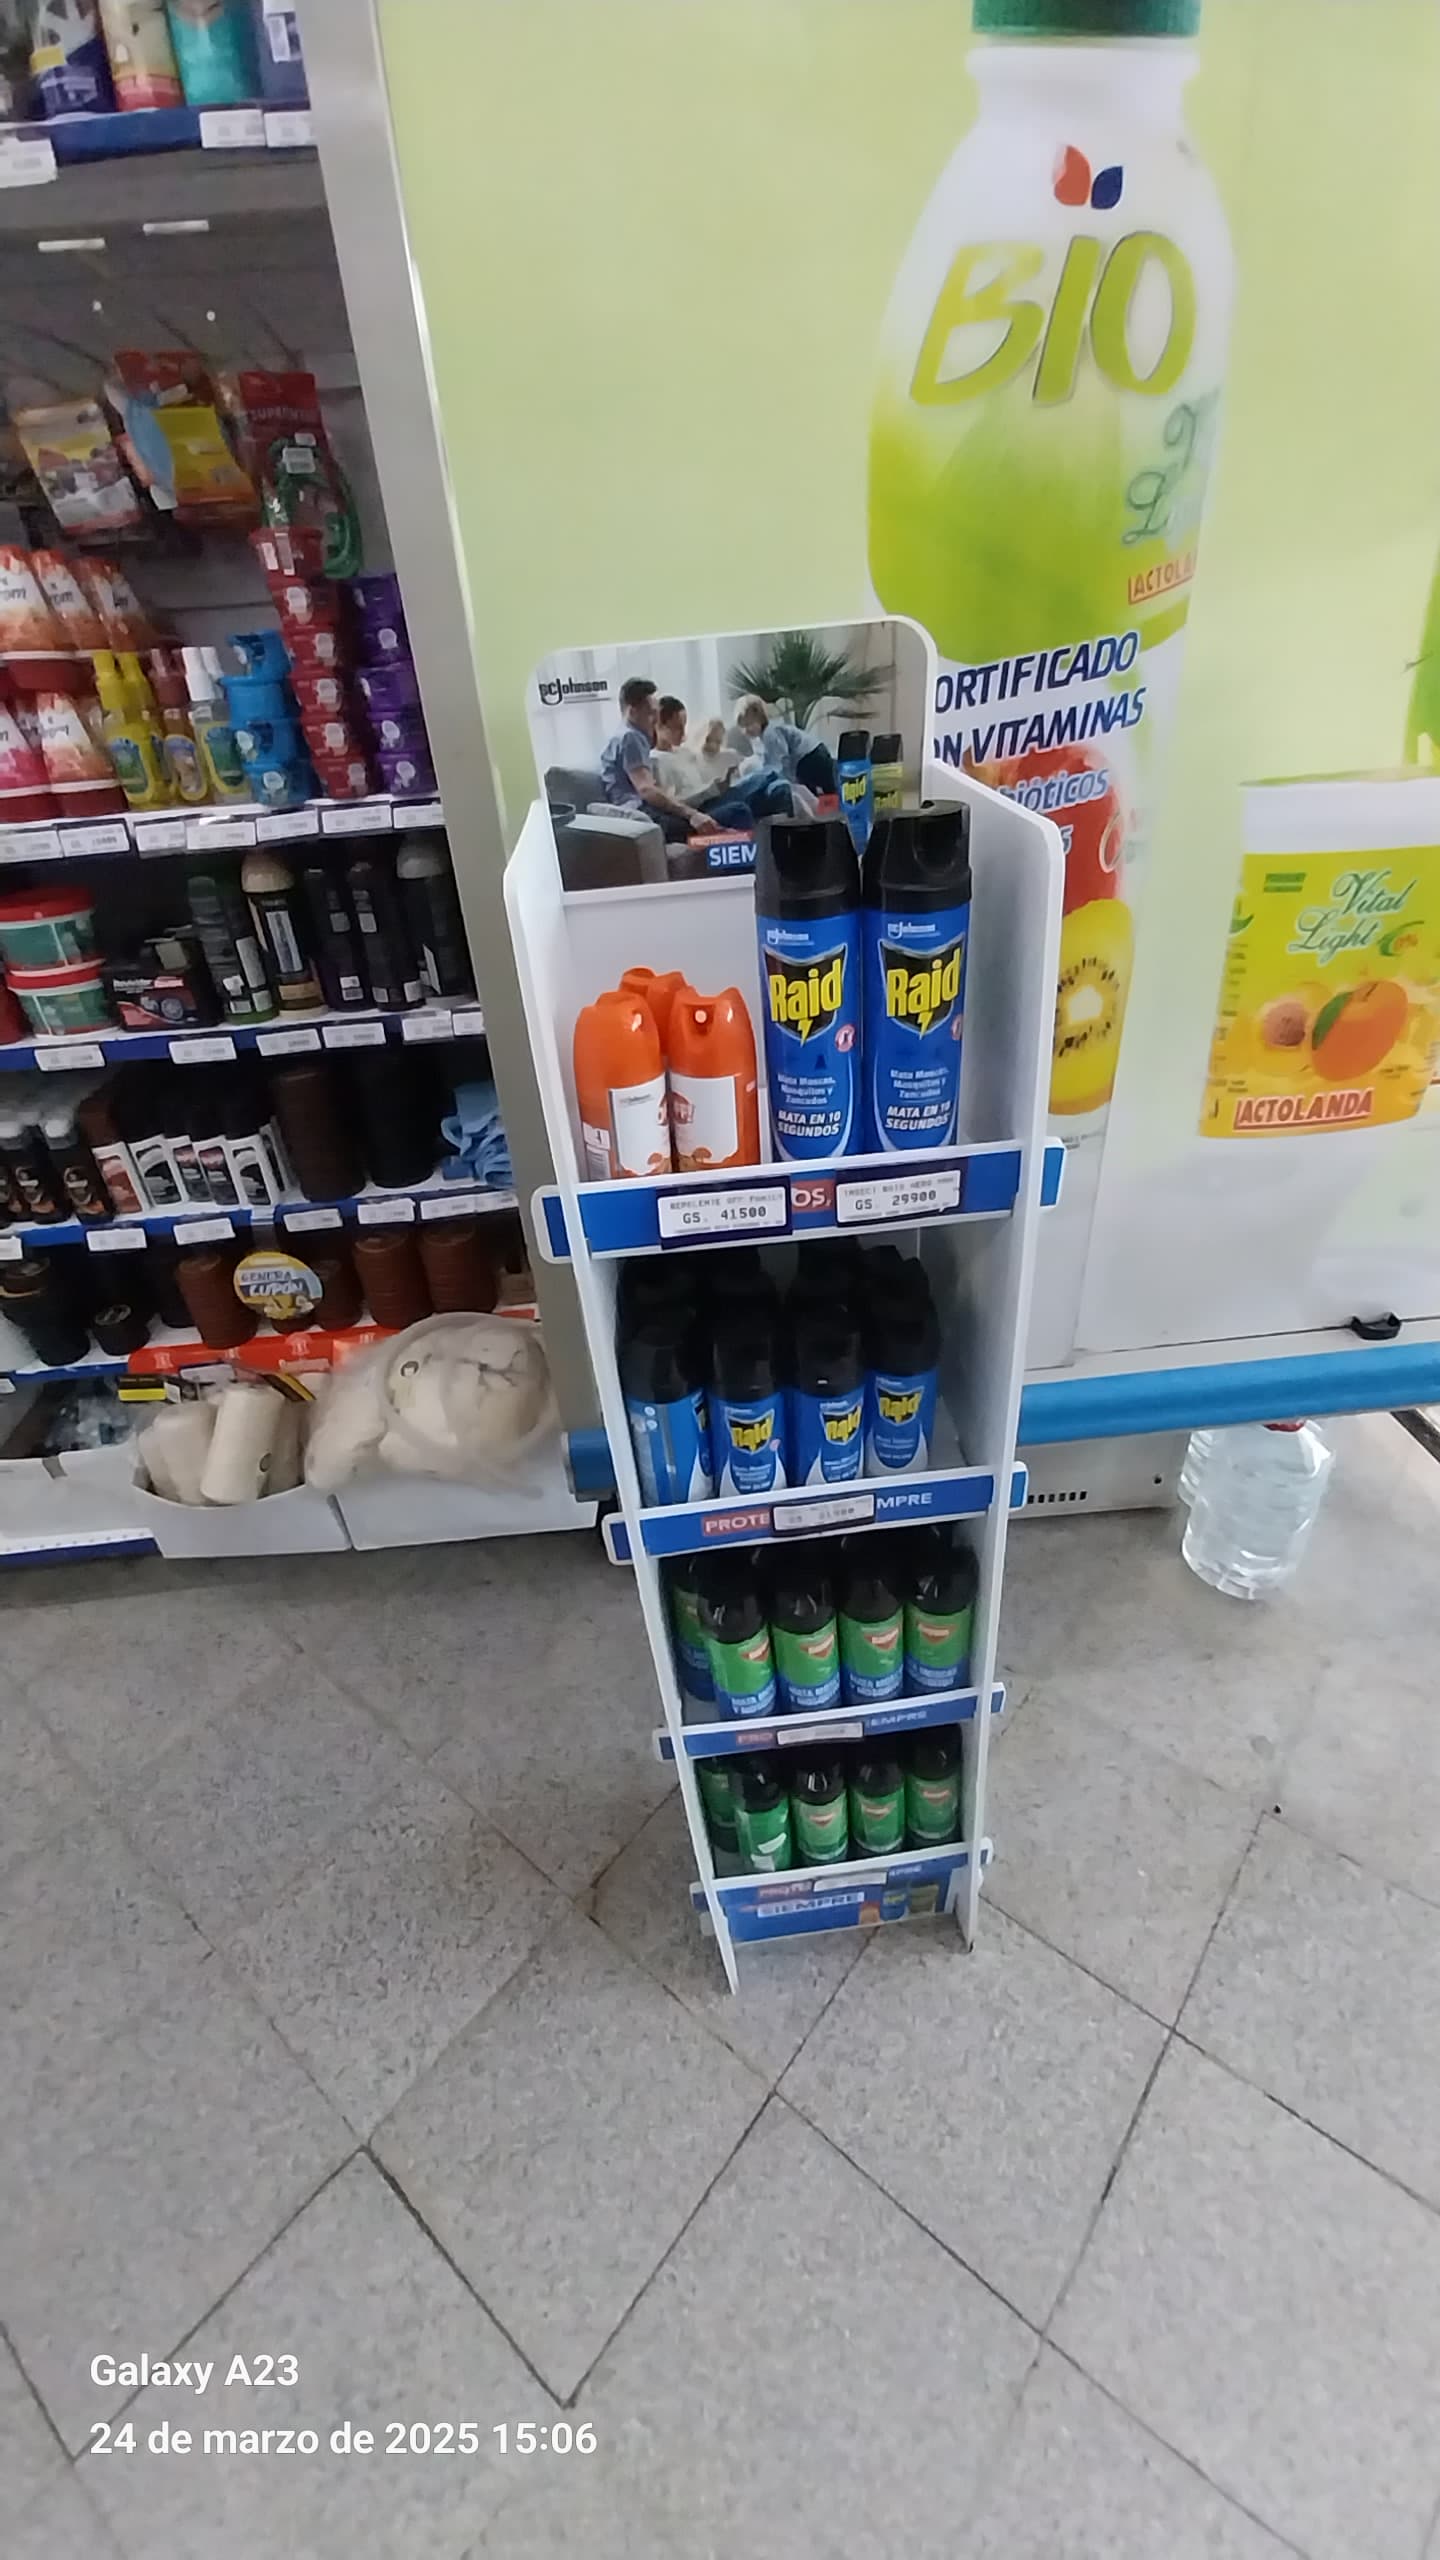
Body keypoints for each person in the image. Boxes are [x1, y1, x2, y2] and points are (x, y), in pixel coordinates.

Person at [600, 676, 718, 842]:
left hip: (646, 811)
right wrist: (691, 814)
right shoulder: (630, 738)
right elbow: (646, 789)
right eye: (651, 713)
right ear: (632, 711)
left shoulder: (624, 736)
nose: (656, 720)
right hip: (644, 814)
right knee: (725, 819)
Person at [653, 696, 792, 827]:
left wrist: (720, 784)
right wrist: (712, 790)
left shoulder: (684, 752)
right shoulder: (657, 761)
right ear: (659, 726)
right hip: (701, 810)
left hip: (714, 797)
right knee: (765, 777)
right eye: (677, 728)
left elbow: (701, 781)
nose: (683, 733)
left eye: (684, 726)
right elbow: (674, 804)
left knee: (777, 787)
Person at [733, 694, 838, 799]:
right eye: (743, 727)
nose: (746, 730)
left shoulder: (770, 733)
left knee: (825, 783)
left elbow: (783, 760)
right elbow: (764, 760)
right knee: (810, 789)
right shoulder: (757, 739)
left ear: (760, 718)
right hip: (803, 758)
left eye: (750, 724)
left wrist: (788, 783)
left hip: (810, 755)